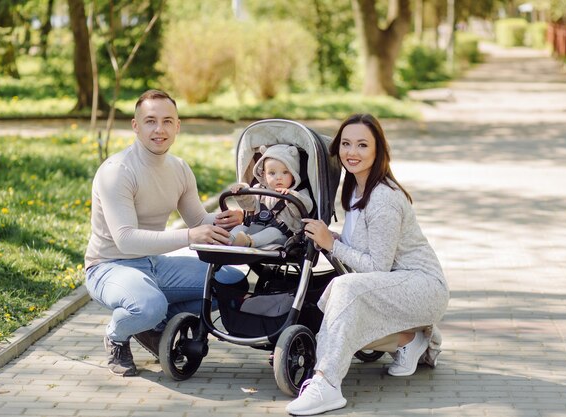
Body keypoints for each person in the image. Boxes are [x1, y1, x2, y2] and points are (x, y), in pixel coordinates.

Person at [286, 114, 449, 415]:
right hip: (394, 285)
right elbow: (364, 249)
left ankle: (326, 384)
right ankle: (411, 340)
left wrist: (332, 244)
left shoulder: (383, 199)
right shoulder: (355, 190)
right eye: (346, 144)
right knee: (333, 301)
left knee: (344, 290)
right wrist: (328, 236)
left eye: (362, 145)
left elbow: (377, 267)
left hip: (423, 286)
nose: (352, 152)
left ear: (378, 151)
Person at [84, 89, 246, 377]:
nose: (159, 129)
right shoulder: (117, 171)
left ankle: (153, 325)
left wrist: (230, 219)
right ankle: (118, 334)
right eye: (150, 121)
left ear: (178, 126)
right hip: (109, 266)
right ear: (136, 126)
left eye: (167, 121)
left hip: (154, 264)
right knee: (149, 305)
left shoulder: (179, 168)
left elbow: (198, 219)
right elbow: (126, 239)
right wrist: (189, 237)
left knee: (231, 282)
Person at [228, 144, 313, 248]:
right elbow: (249, 205)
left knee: (272, 232)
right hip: (255, 227)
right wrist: (242, 191)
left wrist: (291, 197)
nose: (278, 177)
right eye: (272, 173)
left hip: (282, 234)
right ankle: (227, 240)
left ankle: (249, 242)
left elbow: (307, 207)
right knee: (240, 229)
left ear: (294, 174)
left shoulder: (299, 192)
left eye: (285, 172)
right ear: (263, 174)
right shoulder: (259, 189)